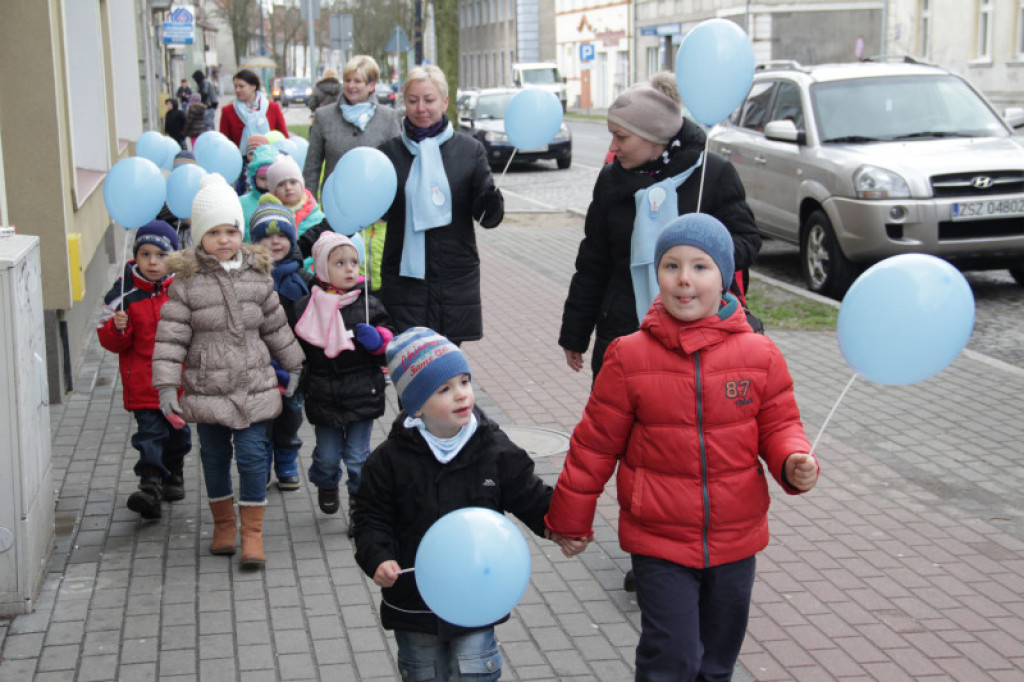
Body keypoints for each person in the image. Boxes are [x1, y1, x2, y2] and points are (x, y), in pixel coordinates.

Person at [545, 214, 820, 682]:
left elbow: (779, 424)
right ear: (657, 276)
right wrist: (570, 518)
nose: (685, 279)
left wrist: (793, 459)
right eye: (671, 266)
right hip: (659, 540)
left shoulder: (760, 354)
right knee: (671, 657)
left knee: (716, 662)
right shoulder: (629, 356)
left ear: (726, 277)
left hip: (736, 537)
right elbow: (595, 444)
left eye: (700, 266)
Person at [352, 327, 573, 680]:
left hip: (476, 594)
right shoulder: (388, 461)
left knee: (475, 670)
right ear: (417, 406)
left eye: (464, 382)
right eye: (444, 388)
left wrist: (561, 527)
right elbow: (369, 518)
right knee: (424, 672)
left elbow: (529, 495)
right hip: (414, 602)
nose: (461, 395)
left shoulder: (493, 448)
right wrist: (378, 557)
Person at [559, 72, 761, 380]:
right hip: (624, 331)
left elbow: (747, 240)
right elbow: (593, 262)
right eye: (611, 135)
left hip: (701, 331)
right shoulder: (610, 181)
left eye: (621, 137)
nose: (613, 147)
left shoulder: (712, 174)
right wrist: (575, 333)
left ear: (654, 138)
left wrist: (703, 256)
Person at [152, 173, 305, 567]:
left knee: (254, 458)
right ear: (199, 237)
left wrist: (295, 365)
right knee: (214, 458)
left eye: (231, 231)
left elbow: (275, 327)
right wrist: (166, 386)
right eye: (214, 232)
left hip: (253, 386)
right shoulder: (185, 284)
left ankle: (252, 531)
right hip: (207, 389)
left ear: (241, 232)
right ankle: (224, 525)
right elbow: (170, 340)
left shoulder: (258, 276)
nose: (224, 240)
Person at [376, 65, 504, 344]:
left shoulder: (470, 151)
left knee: (447, 375)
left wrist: (491, 202)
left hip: (454, 280)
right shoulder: (388, 154)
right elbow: (379, 213)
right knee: (409, 370)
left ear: (445, 102)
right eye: (413, 100)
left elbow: (487, 218)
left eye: (429, 100)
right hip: (404, 280)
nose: (421, 108)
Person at [293, 232, 393, 530]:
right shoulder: (305, 308)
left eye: (354, 262)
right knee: (327, 457)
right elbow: (298, 351)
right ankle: (325, 481)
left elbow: (388, 344)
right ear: (323, 269)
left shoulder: (369, 305)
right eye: (340, 263)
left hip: (363, 393)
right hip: (324, 396)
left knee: (357, 459)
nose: (350, 269)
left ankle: (358, 510)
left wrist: (378, 343)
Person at [97, 221, 190, 520]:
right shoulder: (123, 295)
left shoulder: (182, 289)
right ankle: (150, 486)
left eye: (161, 255)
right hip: (144, 383)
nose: (152, 262)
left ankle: (174, 471)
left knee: (179, 436)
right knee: (150, 436)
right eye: (145, 254)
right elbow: (111, 342)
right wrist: (117, 328)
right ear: (135, 256)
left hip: (176, 384)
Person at [249, 195, 312, 491]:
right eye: (267, 237)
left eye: (281, 236)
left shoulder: (303, 279)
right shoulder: (248, 278)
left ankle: (286, 460)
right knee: (259, 420)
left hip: (292, 366)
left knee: (289, 418)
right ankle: (259, 465)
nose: (275, 242)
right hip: (257, 365)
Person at [302, 56, 400, 198]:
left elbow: (397, 165)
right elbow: (312, 167)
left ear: (371, 85)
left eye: (357, 81)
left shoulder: (388, 117)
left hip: (376, 206)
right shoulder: (324, 116)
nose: (351, 86)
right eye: (347, 80)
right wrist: (309, 206)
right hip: (335, 204)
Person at [219, 69, 288, 152]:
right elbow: (224, 143)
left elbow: (284, 137)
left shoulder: (273, 107)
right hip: (241, 161)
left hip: (270, 159)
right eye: (235, 87)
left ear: (253, 86)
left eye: (241, 86)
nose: (237, 90)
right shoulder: (228, 111)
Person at [267, 154, 326, 244]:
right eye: (281, 184)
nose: (288, 188)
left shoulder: (318, 217)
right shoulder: (268, 216)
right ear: (273, 192)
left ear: (302, 185)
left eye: (293, 182)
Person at [240, 143, 280, 232]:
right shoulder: (241, 203)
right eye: (262, 178)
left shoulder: (286, 202)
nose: (267, 184)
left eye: (271, 178)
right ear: (254, 178)